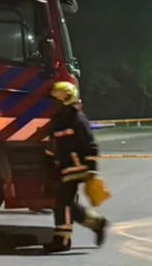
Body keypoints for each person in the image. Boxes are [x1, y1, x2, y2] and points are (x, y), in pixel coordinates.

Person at [43, 81, 109, 254]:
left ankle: (62, 240)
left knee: (62, 203)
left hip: (78, 167)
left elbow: (91, 146)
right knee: (66, 203)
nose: (53, 104)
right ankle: (96, 223)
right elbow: (54, 145)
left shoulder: (78, 120)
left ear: (65, 100)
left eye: (55, 101)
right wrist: (51, 162)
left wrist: (91, 168)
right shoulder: (58, 120)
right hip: (65, 167)